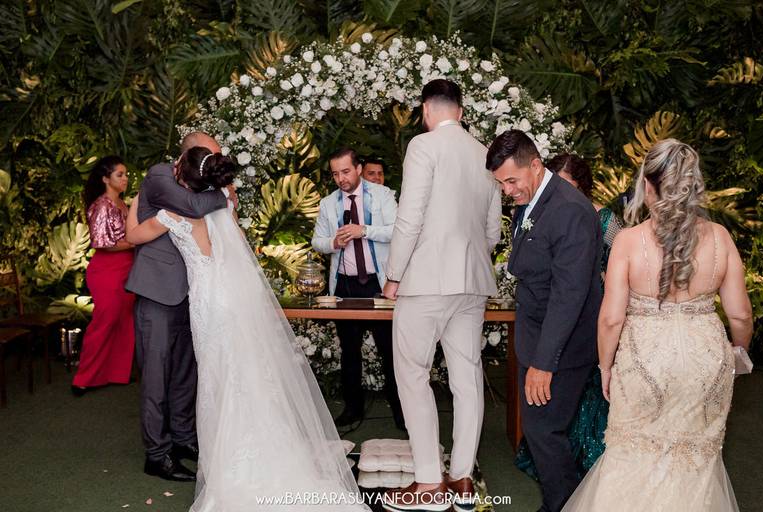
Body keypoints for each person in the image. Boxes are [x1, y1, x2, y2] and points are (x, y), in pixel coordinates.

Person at [126, 147, 369, 511]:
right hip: (231, 295)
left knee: (217, 378)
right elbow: (236, 243)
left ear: (183, 180)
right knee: (243, 372)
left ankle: (227, 455)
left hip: (207, 301)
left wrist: (138, 199)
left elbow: (132, 235)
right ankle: (257, 444)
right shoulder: (223, 205)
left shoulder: (171, 214)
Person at [563, 139, 753, 511]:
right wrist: (738, 352)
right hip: (705, 362)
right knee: (696, 462)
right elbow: (740, 315)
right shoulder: (720, 238)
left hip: (644, 362)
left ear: (648, 186)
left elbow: (611, 318)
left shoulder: (628, 241)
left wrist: (605, 367)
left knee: (631, 456)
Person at [382, 79, 502, 512]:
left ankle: (429, 482)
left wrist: (394, 274)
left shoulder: (423, 145)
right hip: (473, 281)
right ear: (461, 112)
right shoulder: (484, 153)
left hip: (427, 281)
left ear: (425, 110)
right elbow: (493, 230)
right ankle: (463, 479)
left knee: (413, 375)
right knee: (467, 378)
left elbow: (409, 217)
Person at [486, 130, 602, 512]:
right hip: (536, 336)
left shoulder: (570, 209)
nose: (508, 191)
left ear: (535, 165)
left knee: (544, 430)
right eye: (502, 184)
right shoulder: (533, 199)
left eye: (511, 180)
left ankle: (563, 504)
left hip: (563, 346)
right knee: (539, 430)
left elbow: (569, 295)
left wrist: (543, 363)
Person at [124, 132, 229, 482]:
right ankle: (157, 454)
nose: (214, 164)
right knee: (156, 376)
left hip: (194, 293)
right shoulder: (160, 175)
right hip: (157, 291)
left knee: (186, 372)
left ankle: (183, 439)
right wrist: (224, 192)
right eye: (210, 157)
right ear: (187, 156)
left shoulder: (198, 184)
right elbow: (194, 208)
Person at [515, 154, 621, 477]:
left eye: (568, 185)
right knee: (552, 411)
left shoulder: (604, 219)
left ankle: (588, 466)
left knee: (589, 397)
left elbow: (625, 263)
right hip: (557, 315)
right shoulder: (541, 212)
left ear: (582, 187)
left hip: (595, 311)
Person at [311, 147, 404, 430]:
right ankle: (352, 409)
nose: (341, 178)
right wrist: (333, 243)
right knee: (349, 350)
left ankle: (402, 412)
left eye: (346, 171)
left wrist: (364, 230)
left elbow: (398, 230)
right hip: (345, 286)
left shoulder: (382, 195)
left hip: (379, 284)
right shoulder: (328, 203)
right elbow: (317, 241)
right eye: (335, 174)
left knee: (390, 350)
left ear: (359, 169)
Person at [72, 156, 135, 395]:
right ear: (106, 179)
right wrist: (135, 242)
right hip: (107, 270)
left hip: (127, 267)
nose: (125, 179)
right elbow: (103, 243)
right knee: (104, 322)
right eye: (120, 175)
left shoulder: (122, 203)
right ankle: (83, 378)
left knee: (124, 321)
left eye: (126, 174)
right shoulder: (101, 205)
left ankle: (116, 373)